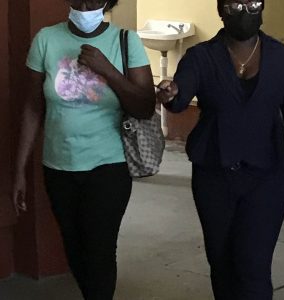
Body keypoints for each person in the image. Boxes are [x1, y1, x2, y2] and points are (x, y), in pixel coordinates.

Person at [156, 0, 284, 299]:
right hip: (214, 174)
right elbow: (179, 95)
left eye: (253, 3)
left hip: (266, 174)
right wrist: (171, 93)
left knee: (253, 266)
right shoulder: (201, 57)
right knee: (222, 262)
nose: (245, 12)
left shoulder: (282, 57)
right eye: (235, 6)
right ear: (220, 10)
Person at [11, 0, 156, 299]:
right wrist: (20, 170)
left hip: (109, 165)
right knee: (75, 249)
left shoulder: (126, 41)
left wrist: (108, 71)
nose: (86, 5)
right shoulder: (46, 39)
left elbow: (144, 106)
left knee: (100, 252)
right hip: (59, 166)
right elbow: (32, 107)